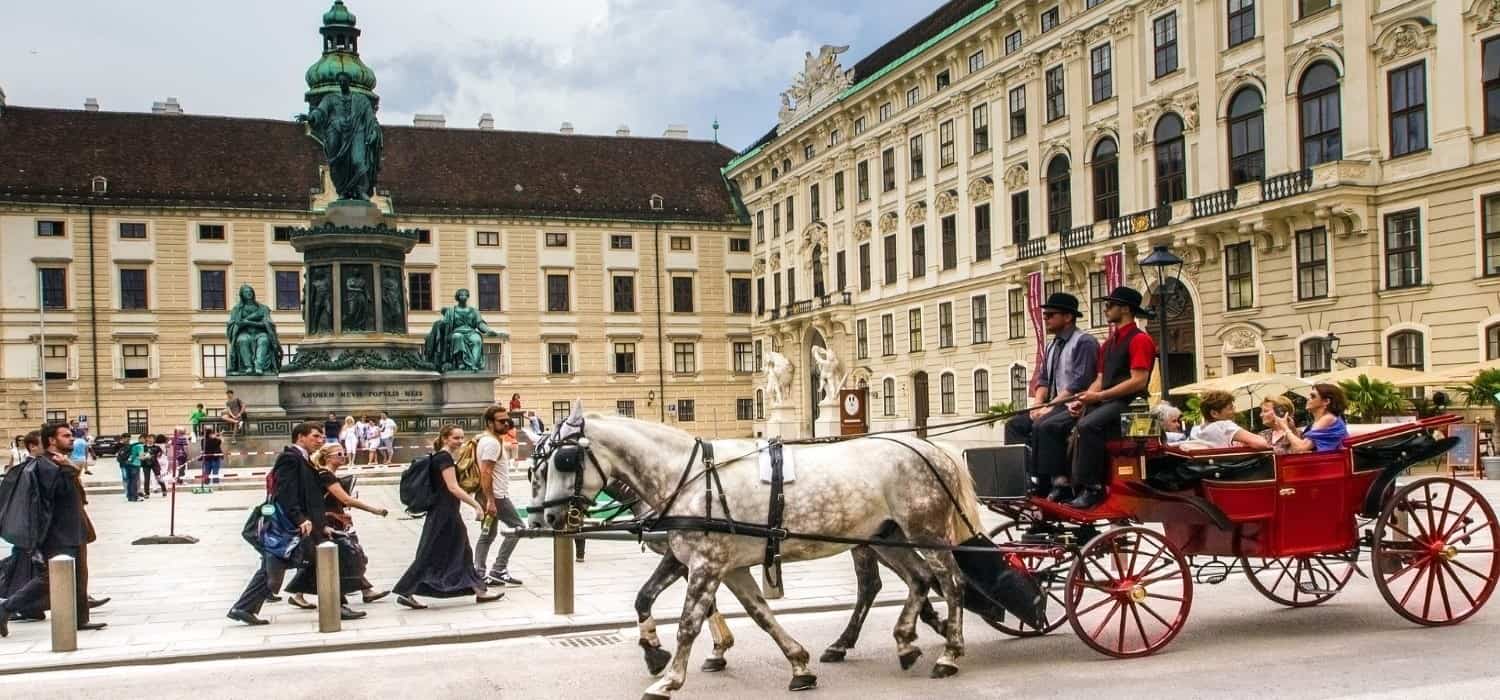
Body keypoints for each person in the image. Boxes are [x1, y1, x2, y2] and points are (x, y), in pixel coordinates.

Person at [0, 421, 106, 637]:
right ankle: (5, 608)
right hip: (58, 533)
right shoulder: (46, 465)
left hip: (74, 528)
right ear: (51, 440)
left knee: (79, 576)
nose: (71, 439)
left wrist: (70, 467)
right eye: (66, 436)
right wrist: (69, 468)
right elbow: (52, 496)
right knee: (50, 579)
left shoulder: (59, 462)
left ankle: (80, 619)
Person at [228, 422, 331, 626]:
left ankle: (244, 607)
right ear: (300, 437)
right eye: (316, 436)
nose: (321, 441)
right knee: (313, 559)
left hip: (303, 523)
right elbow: (285, 492)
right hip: (293, 524)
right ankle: (336, 603)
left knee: (277, 565)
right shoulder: (290, 459)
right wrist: (299, 518)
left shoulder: (302, 459)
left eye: (322, 437)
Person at [1064, 287, 1158, 510]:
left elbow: (1138, 381)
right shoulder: (1108, 344)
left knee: (1088, 426)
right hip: (1109, 401)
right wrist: (1084, 399)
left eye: (1110, 305)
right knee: (1071, 426)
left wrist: (1099, 395)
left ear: (1125, 309)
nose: (1105, 309)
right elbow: (1100, 379)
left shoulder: (1140, 340)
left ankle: (1093, 487)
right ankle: (1068, 483)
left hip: (1131, 404)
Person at [392, 425, 504, 609]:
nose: (460, 441)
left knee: (457, 551)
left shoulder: (439, 456)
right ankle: (406, 590)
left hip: (442, 512)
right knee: (434, 553)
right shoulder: (444, 458)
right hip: (445, 514)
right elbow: (453, 487)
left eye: (461, 438)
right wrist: (476, 505)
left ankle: (479, 590)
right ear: (445, 438)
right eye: (456, 438)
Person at [1004, 292, 1099, 498]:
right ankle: (1026, 476)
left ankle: (1058, 481)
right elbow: (1044, 380)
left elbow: (1079, 382)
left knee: (1045, 425)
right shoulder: (1051, 345)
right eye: (1045, 315)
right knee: (1014, 425)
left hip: (1075, 404)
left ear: (1068, 317)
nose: (1045, 318)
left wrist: (1049, 407)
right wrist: (1038, 405)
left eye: (1050, 315)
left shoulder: (1085, 342)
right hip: (1053, 404)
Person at [285, 443, 389, 611]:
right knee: (347, 555)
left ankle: (363, 590)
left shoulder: (324, 474)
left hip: (331, 520)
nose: (343, 456)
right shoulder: (326, 475)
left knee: (332, 558)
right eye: (339, 454)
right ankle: (348, 597)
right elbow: (346, 499)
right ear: (328, 457)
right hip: (328, 523)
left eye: (344, 453)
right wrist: (374, 510)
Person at [474, 408, 524, 587]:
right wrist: (491, 500)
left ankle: (480, 572)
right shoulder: (491, 443)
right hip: (496, 496)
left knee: (488, 533)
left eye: (507, 420)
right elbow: (486, 472)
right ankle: (497, 569)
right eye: (501, 421)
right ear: (489, 423)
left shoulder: (489, 440)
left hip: (491, 495)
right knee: (518, 528)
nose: (506, 424)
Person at [1181, 391, 1270, 450]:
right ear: (1214, 413)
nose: (1234, 411)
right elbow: (1262, 443)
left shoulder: (1196, 430)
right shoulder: (1224, 425)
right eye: (1230, 408)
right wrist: (1246, 443)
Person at [1274, 383, 1349, 453]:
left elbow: (1301, 447)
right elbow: (1299, 447)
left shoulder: (1328, 419)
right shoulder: (1322, 420)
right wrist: (1292, 428)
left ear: (1326, 401)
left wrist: (1285, 427)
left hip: (1331, 463)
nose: (1308, 398)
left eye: (1313, 396)